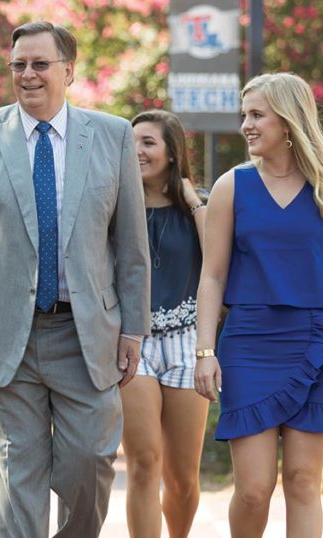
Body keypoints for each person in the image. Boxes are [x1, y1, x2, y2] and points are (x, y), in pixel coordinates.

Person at [0, 21, 151, 537]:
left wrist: (134, 327)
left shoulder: (112, 135)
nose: (27, 75)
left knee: (89, 464)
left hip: (87, 334)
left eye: (40, 64)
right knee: (17, 476)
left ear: (68, 71)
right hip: (3, 334)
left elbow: (132, 247)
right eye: (18, 65)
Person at [193, 72, 323, 538]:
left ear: (287, 122)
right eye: (244, 115)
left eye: (256, 115)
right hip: (248, 342)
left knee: (304, 482)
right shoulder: (232, 186)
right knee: (253, 488)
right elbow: (212, 275)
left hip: (315, 342)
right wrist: (205, 350)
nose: (246, 125)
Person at [121, 110, 208, 538]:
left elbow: (220, 263)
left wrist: (192, 202)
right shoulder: (116, 205)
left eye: (148, 143)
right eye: (132, 141)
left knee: (183, 478)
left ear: (173, 153)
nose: (137, 151)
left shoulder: (200, 207)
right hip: (134, 344)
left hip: (187, 344)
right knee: (143, 463)